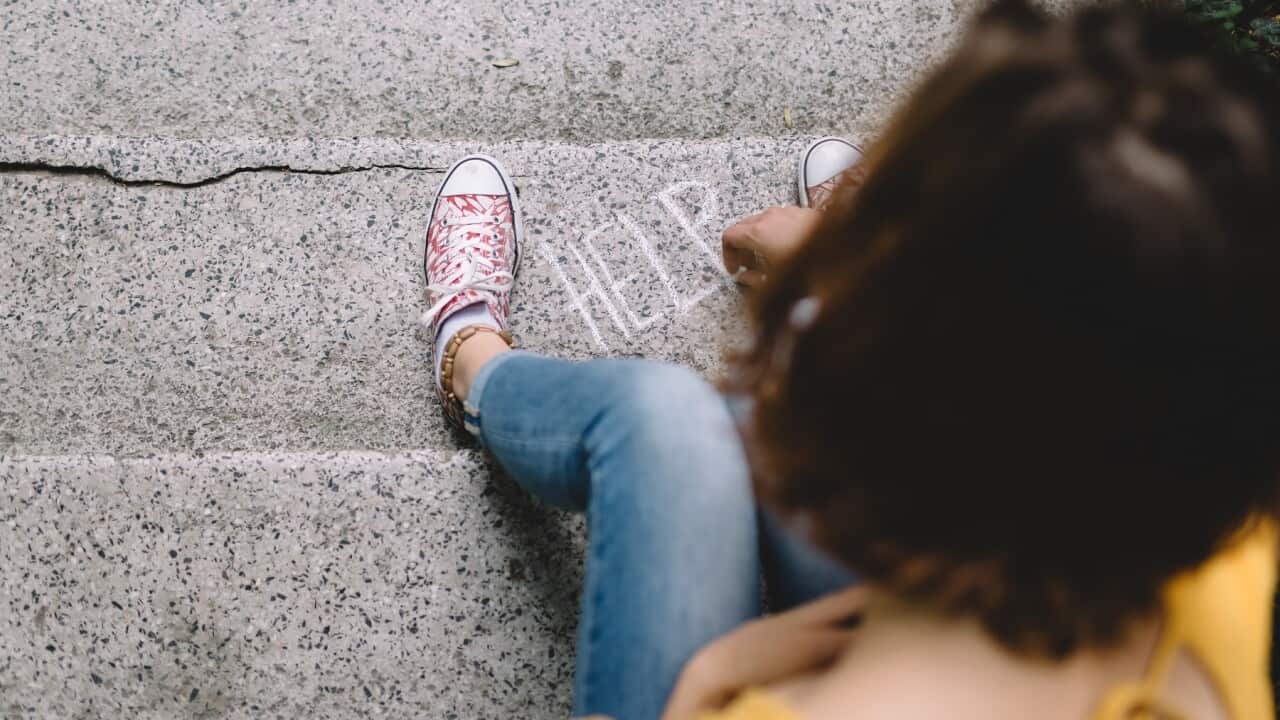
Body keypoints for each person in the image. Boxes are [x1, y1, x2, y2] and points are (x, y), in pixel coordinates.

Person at [419, 2, 1280, 718]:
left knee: (668, 420)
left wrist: (702, 693)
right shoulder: (1237, 554)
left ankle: (470, 352)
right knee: (695, 422)